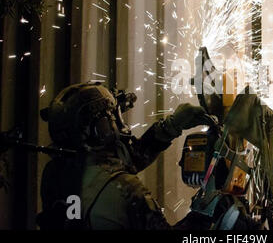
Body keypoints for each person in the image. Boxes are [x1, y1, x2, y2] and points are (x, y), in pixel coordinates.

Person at [37, 82, 217, 230]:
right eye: (113, 117)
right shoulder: (126, 190)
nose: (118, 122)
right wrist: (206, 212)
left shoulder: (55, 173)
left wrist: (170, 127)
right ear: (101, 128)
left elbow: (125, 161)